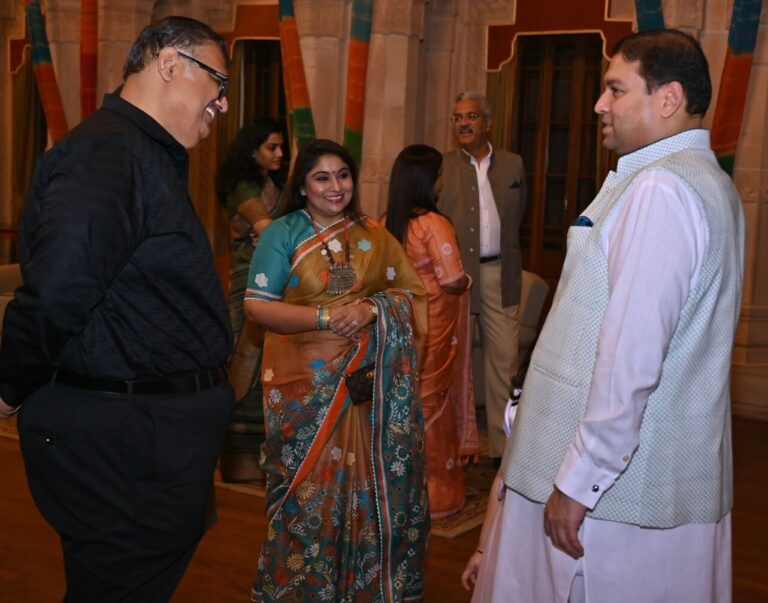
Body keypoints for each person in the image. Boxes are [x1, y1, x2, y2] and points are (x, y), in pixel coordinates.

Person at [462, 29, 744, 602]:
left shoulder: (661, 189)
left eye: (615, 89)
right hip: (653, 480)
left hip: (616, 500)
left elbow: (631, 357)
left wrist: (579, 480)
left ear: (666, 99)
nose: (598, 104)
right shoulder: (705, 181)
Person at [0, 16, 235, 602]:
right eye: (218, 83)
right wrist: (8, 386)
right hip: (123, 444)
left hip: (148, 440)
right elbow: (56, 293)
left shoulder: (141, 153)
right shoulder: (107, 154)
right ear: (170, 63)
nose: (224, 104)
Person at [244, 139, 430, 601]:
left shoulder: (375, 237)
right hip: (301, 386)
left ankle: (364, 586)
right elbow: (257, 307)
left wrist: (371, 309)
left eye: (342, 175)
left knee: (368, 486)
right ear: (303, 186)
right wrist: (327, 318)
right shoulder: (282, 233)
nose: (335, 186)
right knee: (306, 495)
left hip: (367, 386)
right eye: (321, 177)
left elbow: (411, 296)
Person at [383, 144, 477, 518]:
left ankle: (399, 493)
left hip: (401, 325)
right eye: (438, 175)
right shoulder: (432, 224)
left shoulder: (388, 220)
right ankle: (437, 493)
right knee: (433, 402)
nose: (441, 182)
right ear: (428, 181)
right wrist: (468, 281)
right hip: (434, 325)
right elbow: (451, 278)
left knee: (405, 400)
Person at [439, 91, 527, 463]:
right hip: (455, 279)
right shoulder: (440, 167)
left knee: (503, 363)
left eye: (471, 116)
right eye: (458, 117)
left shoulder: (513, 165)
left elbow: (518, 218)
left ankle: (504, 452)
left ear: (487, 123)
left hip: (498, 274)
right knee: (449, 362)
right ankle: (451, 448)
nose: (463, 123)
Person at [215, 118, 286, 483]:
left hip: (275, 282)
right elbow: (271, 231)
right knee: (245, 362)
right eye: (272, 147)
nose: (280, 153)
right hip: (249, 283)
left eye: (281, 146)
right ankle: (239, 462)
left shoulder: (270, 184)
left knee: (269, 367)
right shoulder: (243, 188)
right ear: (252, 150)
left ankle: (265, 458)